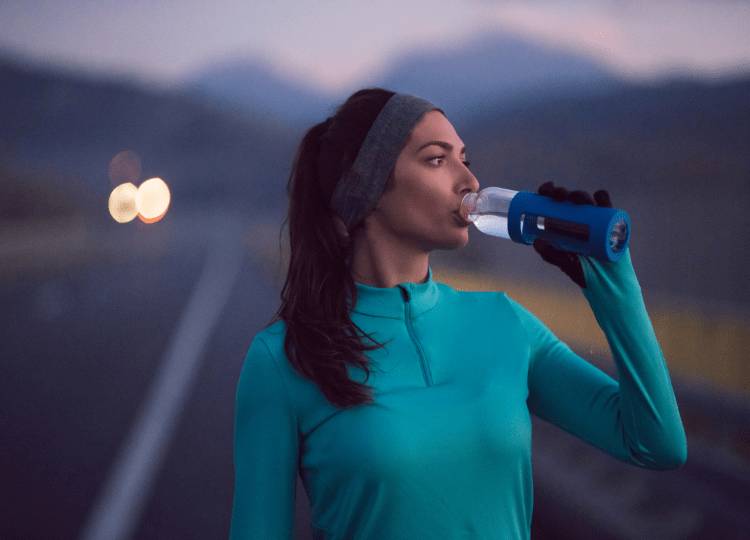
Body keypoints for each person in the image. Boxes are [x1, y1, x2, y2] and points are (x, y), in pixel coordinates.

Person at [228, 89, 688, 540]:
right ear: (366, 188)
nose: (469, 181)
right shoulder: (285, 358)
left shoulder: (503, 322)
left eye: (465, 159)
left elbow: (657, 443)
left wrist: (612, 283)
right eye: (436, 159)